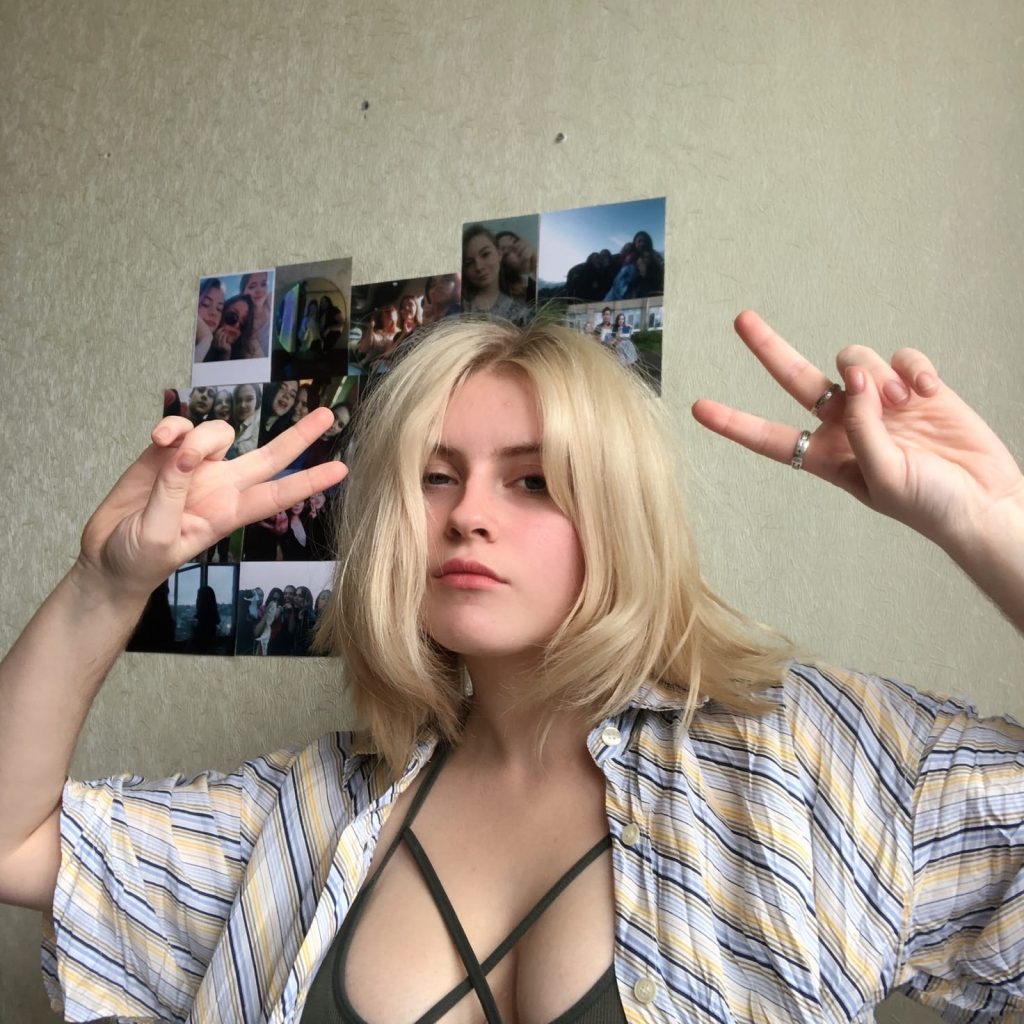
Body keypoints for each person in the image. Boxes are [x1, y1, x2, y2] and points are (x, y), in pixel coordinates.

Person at [1, 316, 1023, 1023]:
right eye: (434, 477)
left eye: (532, 480)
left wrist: (992, 526)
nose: (468, 516)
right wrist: (104, 585)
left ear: (616, 512)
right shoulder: (307, 814)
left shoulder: (804, 758)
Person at [461, 224, 534, 325]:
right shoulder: (457, 304)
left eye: (485, 254)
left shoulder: (520, 310)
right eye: (469, 263)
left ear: (499, 254)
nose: (478, 267)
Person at [204, 294, 258, 362]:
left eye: (243, 323)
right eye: (232, 316)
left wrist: (225, 355)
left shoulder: (244, 357)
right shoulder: (201, 339)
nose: (237, 325)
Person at [241, 271, 273, 358]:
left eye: (263, 284)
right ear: (242, 292)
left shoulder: (270, 300)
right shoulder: (244, 327)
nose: (259, 290)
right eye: (252, 287)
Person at [194, 277, 225, 363]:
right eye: (206, 304)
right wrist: (206, 339)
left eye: (219, 309)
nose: (214, 313)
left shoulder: (215, 353)